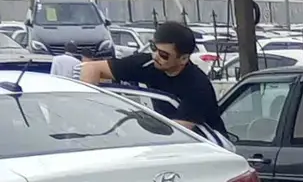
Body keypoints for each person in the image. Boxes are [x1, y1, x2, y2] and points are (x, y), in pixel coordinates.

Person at [80, 19, 226, 137]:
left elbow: (178, 132)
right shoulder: (148, 63)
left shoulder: (197, 86)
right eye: (153, 47)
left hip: (209, 147)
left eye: (164, 54)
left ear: (183, 59)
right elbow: (91, 68)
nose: (156, 55)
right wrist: (88, 115)